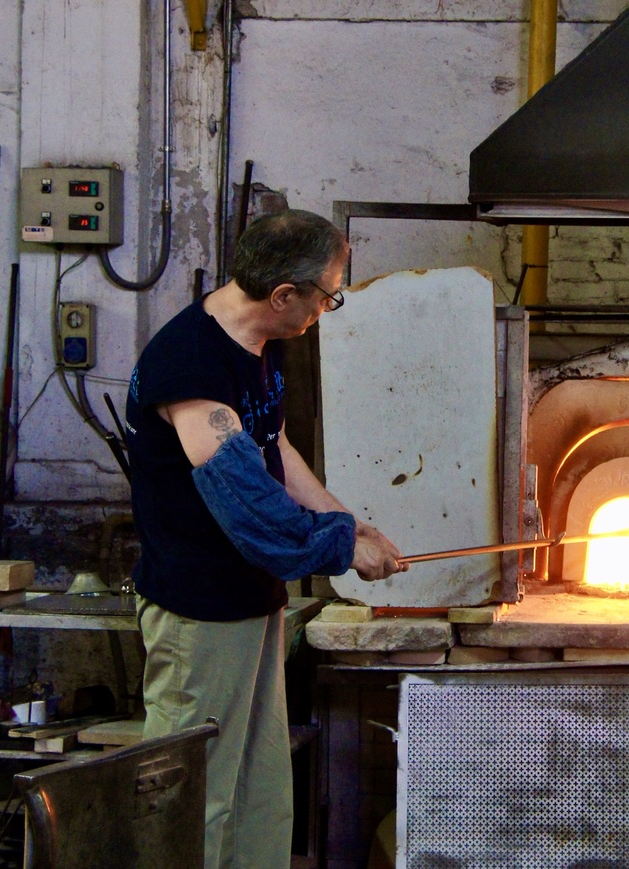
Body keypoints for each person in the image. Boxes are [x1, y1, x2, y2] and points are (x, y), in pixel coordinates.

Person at [124, 208, 407, 868]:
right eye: (328, 295)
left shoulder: (260, 342)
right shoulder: (189, 365)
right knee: (198, 799)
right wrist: (338, 548)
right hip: (199, 612)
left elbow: (271, 444)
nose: (326, 309)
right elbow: (248, 505)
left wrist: (347, 520)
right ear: (285, 295)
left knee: (256, 794)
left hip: (253, 601)